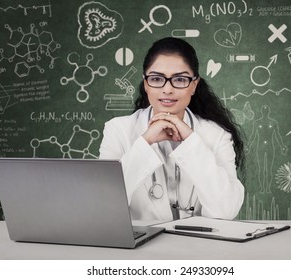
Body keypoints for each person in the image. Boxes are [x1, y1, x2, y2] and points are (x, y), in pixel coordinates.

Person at [99, 37, 245, 221]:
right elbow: (102, 203)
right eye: (157, 79)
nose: (167, 89)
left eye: (180, 79)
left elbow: (226, 211)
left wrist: (192, 143)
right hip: (140, 247)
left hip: (199, 246)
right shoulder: (118, 130)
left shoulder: (217, 135)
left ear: (193, 86)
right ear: (145, 84)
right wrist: (145, 143)